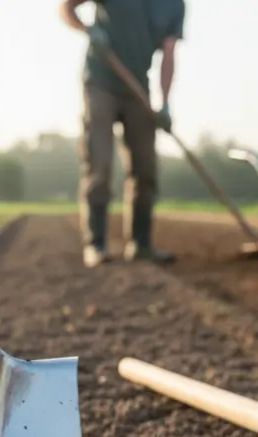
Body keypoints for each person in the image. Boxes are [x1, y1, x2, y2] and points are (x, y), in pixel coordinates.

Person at [59, 0, 184, 268]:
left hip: (138, 86)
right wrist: (87, 29)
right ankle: (96, 244)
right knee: (99, 162)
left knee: (145, 168)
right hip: (100, 82)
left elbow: (169, 52)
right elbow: (67, 8)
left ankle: (141, 244)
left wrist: (165, 104)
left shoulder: (174, 4)